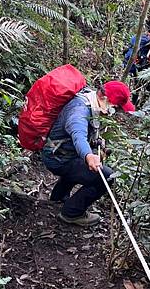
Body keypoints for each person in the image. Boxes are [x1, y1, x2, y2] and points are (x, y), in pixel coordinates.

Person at [41, 81, 135, 227]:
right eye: (115, 107)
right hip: (59, 158)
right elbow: (78, 134)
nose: (113, 111)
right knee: (107, 176)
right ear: (104, 98)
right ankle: (71, 213)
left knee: (79, 167)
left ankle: (58, 198)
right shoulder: (79, 110)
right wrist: (88, 155)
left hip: (60, 153)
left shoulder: (90, 101)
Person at [123, 26, 150, 104]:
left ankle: (134, 104)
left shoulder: (136, 37)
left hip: (134, 66)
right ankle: (137, 105)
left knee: (137, 85)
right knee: (148, 87)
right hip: (142, 67)